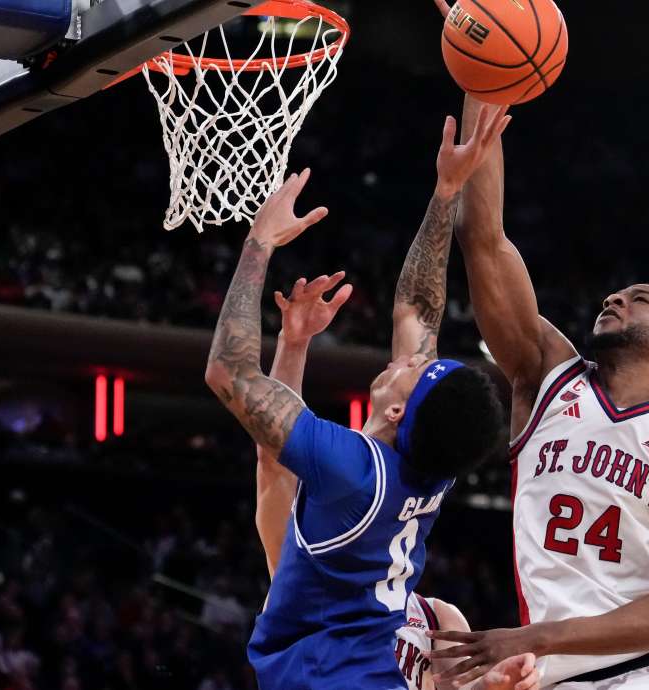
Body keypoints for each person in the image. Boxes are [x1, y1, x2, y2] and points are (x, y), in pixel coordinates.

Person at [426, 6, 649, 686]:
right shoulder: (545, 373)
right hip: (547, 674)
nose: (615, 299)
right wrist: (481, 69)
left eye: (638, 299)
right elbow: (484, 238)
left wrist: (540, 636)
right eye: (615, 294)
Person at [204, 104, 525, 689]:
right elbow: (419, 309)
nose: (407, 359)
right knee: (442, 622)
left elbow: (229, 376)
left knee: (444, 625)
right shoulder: (425, 464)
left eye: (413, 370)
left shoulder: (354, 469)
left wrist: (258, 243)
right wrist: (445, 190)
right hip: (370, 670)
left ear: (399, 410)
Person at [251, 274, 539, 690]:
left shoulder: (438, 619)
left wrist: (492, 685)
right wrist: (292, 343)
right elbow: (273, 461)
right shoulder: (320, 580)